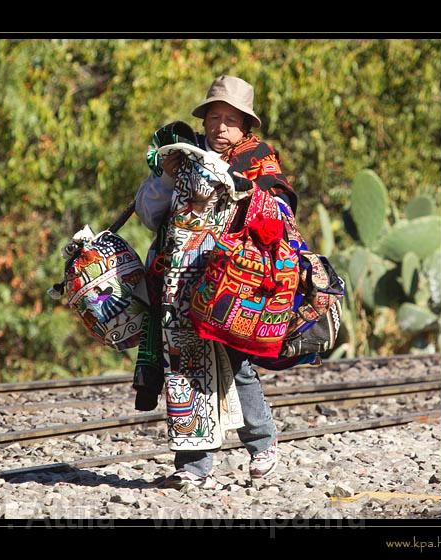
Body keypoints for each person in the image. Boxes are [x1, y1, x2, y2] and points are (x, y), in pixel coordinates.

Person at [132, 75, 302, 489]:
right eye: (214, 117)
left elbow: (280, 214)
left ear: (246, 127)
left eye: (230, 119)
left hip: (234, 286)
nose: (220, 127)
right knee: (185, 371)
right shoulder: (183, 162)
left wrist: (245, 194)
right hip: (179, 285)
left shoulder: (259, 162)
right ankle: (193, 466)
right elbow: (150, 215)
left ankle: (263, 444)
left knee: (237, 364)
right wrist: (166, 179)